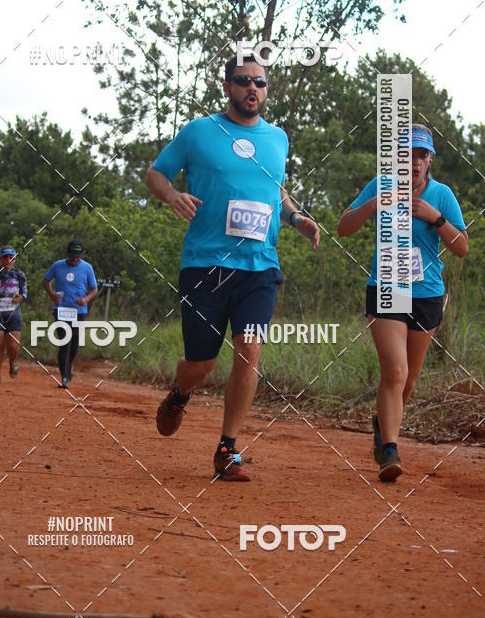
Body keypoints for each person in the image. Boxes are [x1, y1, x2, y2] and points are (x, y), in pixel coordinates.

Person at [145, 54, 320, 481]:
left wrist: (296, 217)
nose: (252, 88)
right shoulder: (198, 132)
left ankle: (227, 449)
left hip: (259, 266)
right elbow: (155, 174)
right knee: (201, 364)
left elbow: (276, 190)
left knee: (250, 350)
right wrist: (172, 196)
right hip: (205, 264)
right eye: (243, 80)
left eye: (260, 82)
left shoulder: (277, 138)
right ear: (227, 86)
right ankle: (180, 392)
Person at [337, 123, 468, 482]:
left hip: (426, 294)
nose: (415, 162)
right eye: (408, 155)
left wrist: (435, 218)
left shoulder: (441, 195)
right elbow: (344, 227)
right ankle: (390, 452)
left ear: (430, 160)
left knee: (407, 382)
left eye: (422, 155)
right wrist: (372, 205)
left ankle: (382, 426)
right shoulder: (379, 185)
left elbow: (461, 247)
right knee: (395, 371)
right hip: (386, 289)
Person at [43, 239, 98, 389]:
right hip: (61, 310)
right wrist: (52, 295)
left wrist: (85, 299)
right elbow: (46, 281)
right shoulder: (57, 265)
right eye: (73, 256)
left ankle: (68, 367)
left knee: (75, 345)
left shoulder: (87, 268)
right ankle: (65, 377)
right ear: (67, 253)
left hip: (79, 311)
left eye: (78, 256)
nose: (75, 259)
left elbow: (94, 289)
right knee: (64, 343)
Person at [0, 246, 28, 383]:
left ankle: (12, 362)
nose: (8, 260)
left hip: (14, 311)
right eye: (5, 257)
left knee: (13, 347)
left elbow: (24, 292)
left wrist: (21, 297)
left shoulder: (19, 274)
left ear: (14, 259)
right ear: (1, 259)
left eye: (10, 257)